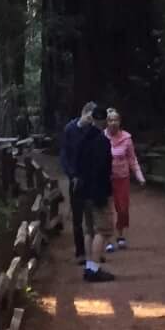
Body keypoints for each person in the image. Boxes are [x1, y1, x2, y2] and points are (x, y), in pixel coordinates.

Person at [70, 101, 117, 280]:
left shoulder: (82, 139)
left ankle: (89, 265)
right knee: (103, 230)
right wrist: (103, 192)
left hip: (84, 191)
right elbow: (103, 169)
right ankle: (95, 268)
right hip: (98, 192)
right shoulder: (102, 142)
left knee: (89, 230)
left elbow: (77, 163)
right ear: (104, 121)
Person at [59, 101, 97, 263]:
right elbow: (64, 155)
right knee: (77, 218)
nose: (91, 121)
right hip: (75, 179)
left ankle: (94, 251)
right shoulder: (69, 129)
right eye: (90, 117)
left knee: (92, 216)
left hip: (90, 179)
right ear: (84, 113)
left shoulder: (92, 132)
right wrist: (71, 174)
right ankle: (80, 252)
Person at [104, 107, 145, 250]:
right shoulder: (101, 137)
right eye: (110, 120)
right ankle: (107, 239)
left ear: (120, 121)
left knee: (122, 209)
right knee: (106, 209)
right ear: (106, 122)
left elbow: (132, 159)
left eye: (116, 120)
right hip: (106, 178)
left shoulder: (127, 139)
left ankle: (120, 235)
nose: (113, 123)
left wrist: (140, 176)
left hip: (122, 177)